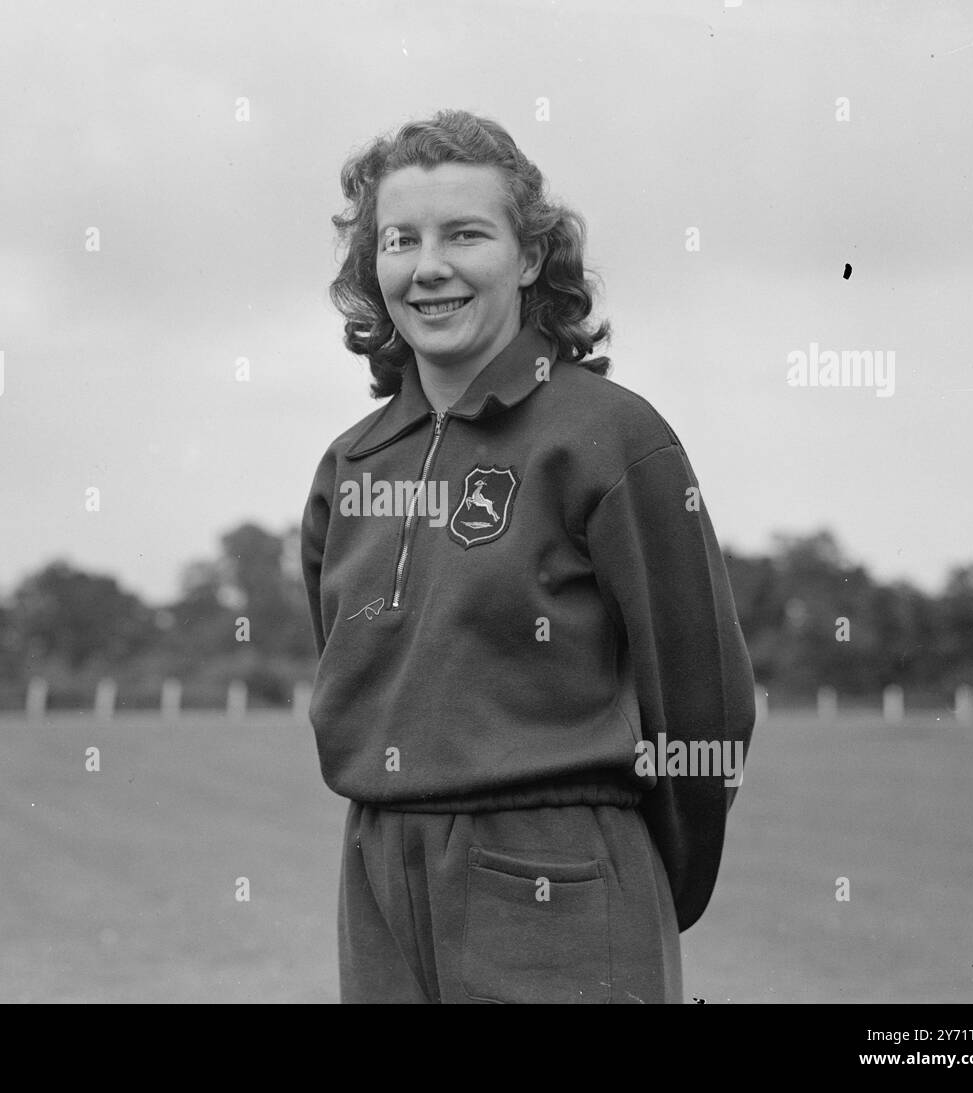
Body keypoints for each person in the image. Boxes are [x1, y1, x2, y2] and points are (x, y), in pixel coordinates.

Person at [299, 108, 756, 1004]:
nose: (429, 267)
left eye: (466, 234)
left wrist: (636, 873)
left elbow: (703, 700)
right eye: (401, 240)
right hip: (379, 867)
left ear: (531, 257)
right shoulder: (349, 464)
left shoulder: (610, 436)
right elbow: (352, 669)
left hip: (562, 870)